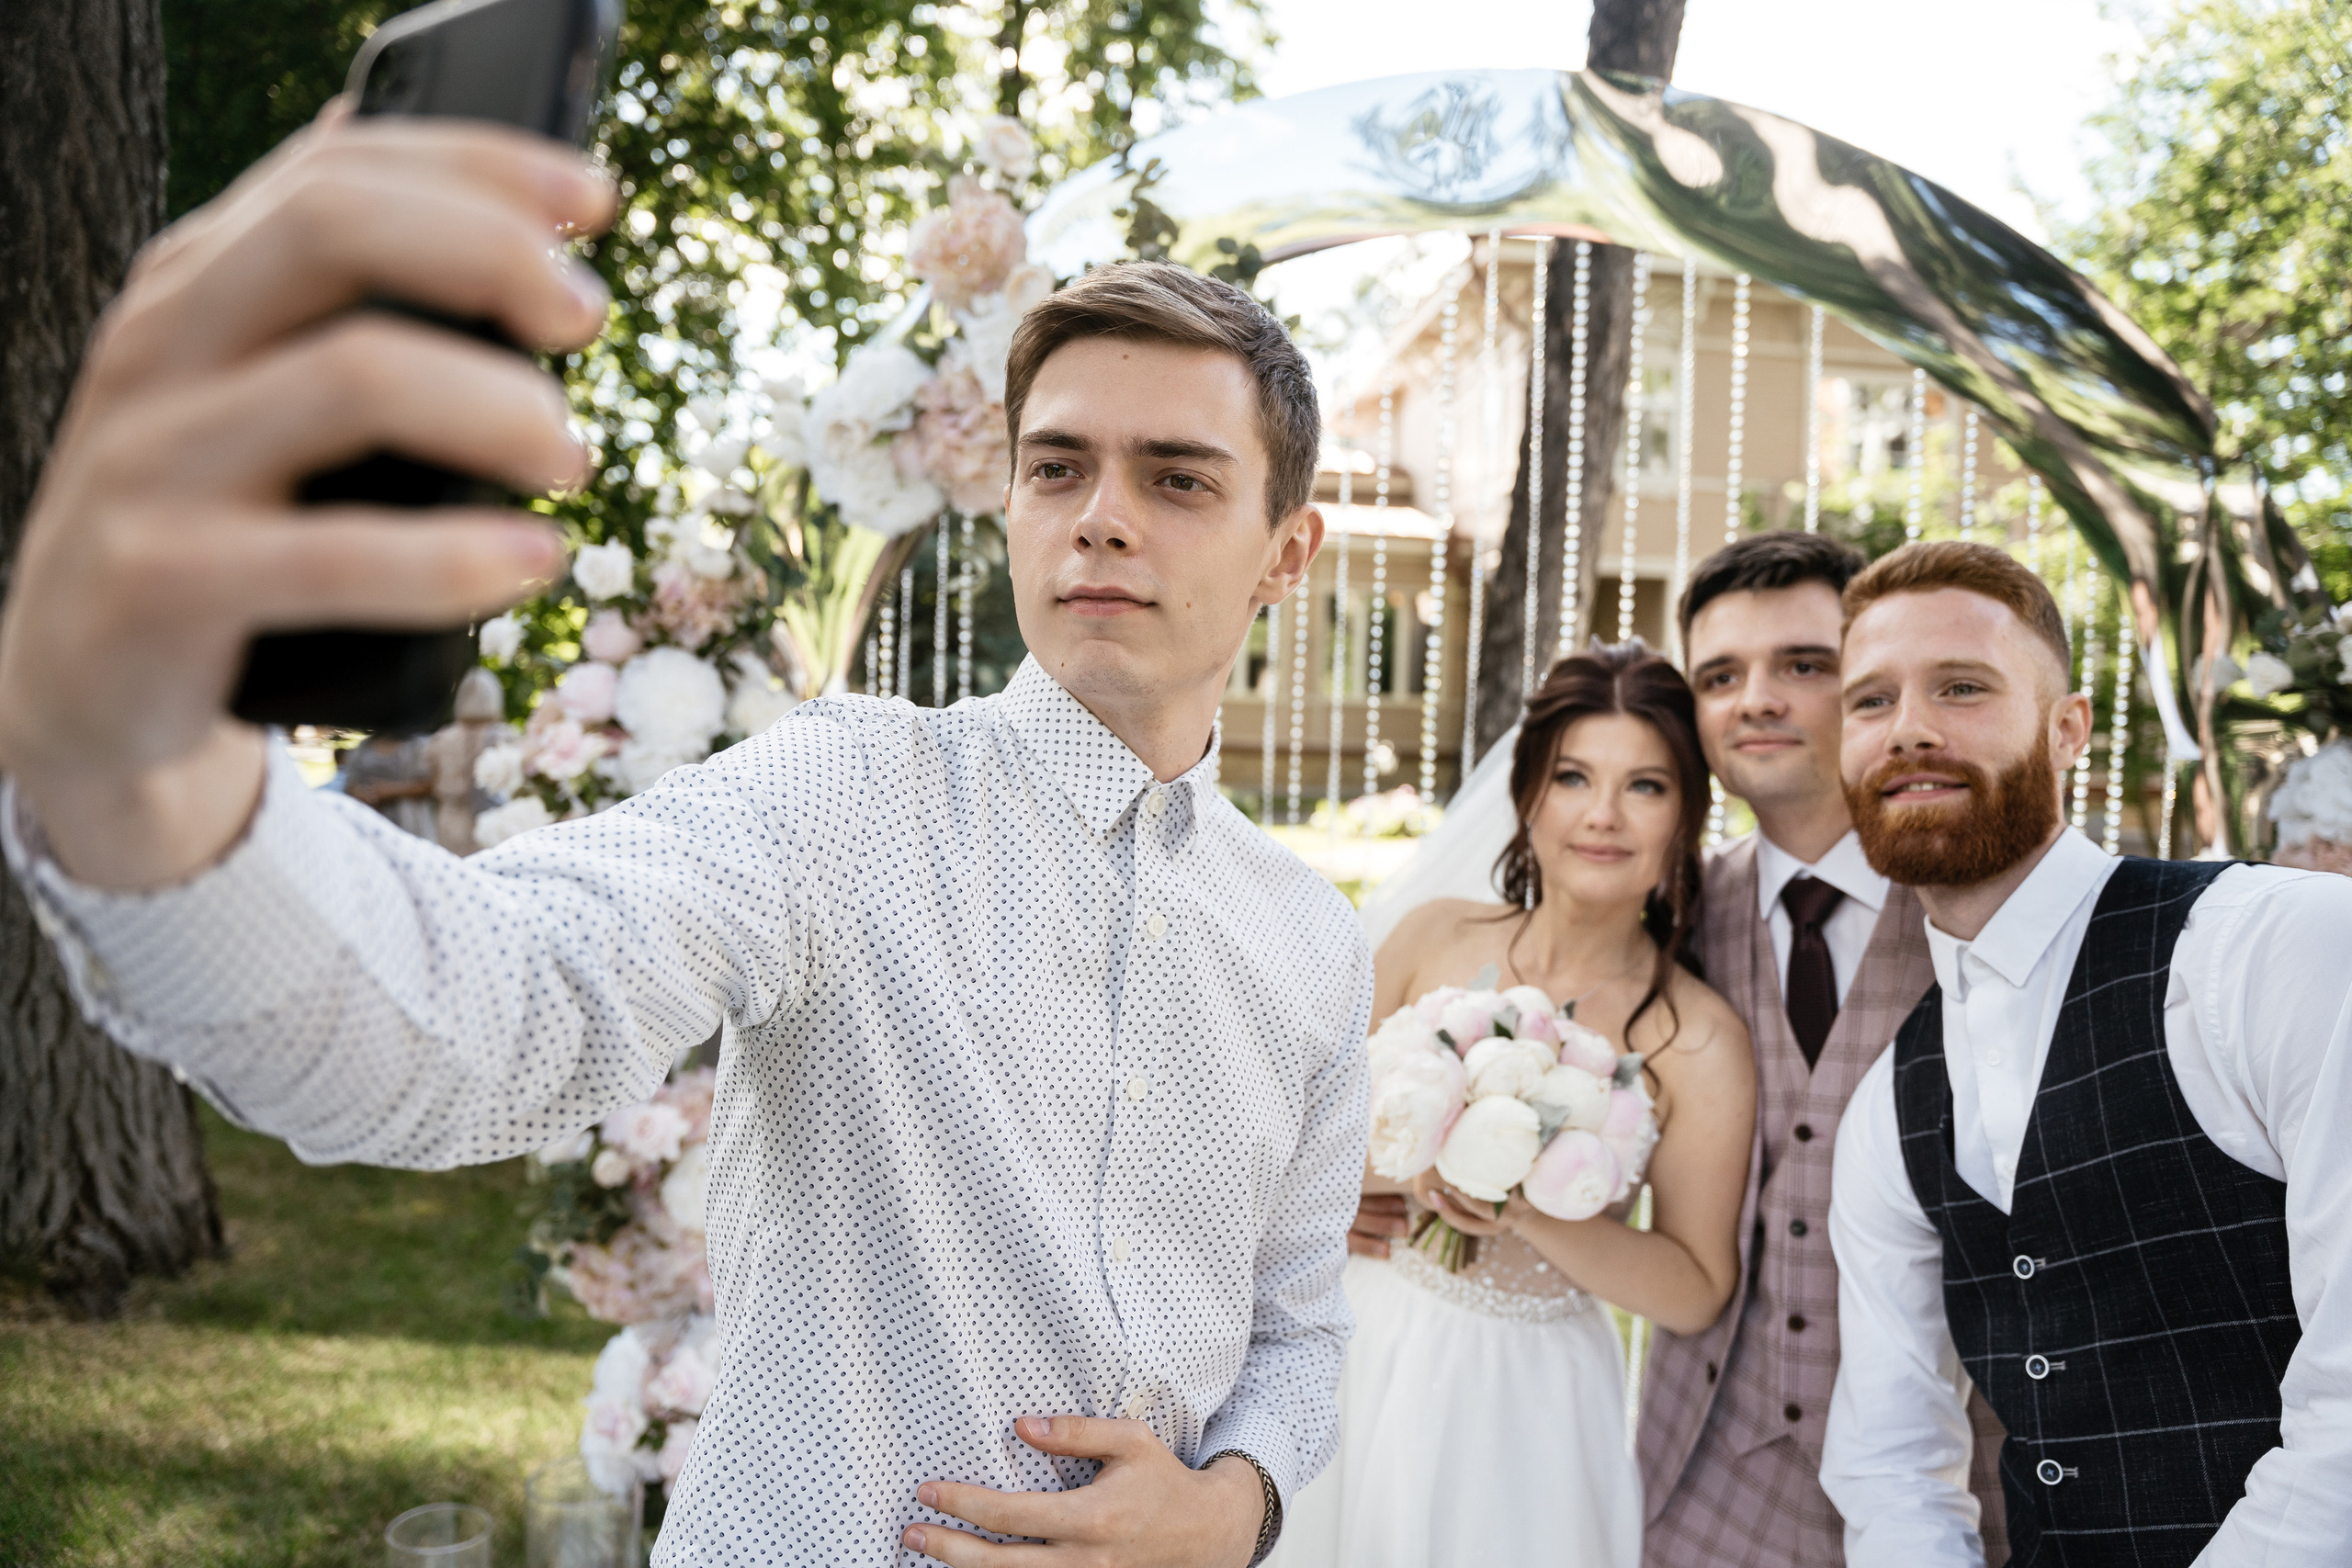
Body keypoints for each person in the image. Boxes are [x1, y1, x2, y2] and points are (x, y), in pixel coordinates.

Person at [0, 108, 1373, 1568]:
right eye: (1056, 467)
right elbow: (485, 1008)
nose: (1101, 519)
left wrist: (1237, 1508)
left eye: (1177, 477)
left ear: (1288, 550)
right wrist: (139, 769)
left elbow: (1297, 1326)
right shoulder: (852, 793)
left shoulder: (1310, 937)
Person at [1821, 540, 2352, 1564]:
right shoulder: (1888, 1103)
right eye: (1870, 702)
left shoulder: (2275, 946)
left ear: (2068, 732)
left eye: (1961, 687)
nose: (1910, 730)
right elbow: (1888, 1464)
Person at [1275, 642, 1755, 1568]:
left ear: (1684, 816)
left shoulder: (1695, 1039)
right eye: (1573, 777)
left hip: (1527, 1394)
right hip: (1363, 1339)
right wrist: (1370, 1189)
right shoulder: (1431, 935)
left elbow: (1695, 1289)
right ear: (1529, 793)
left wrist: (1523, 1207)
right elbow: (1300, 1145)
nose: (1603, 816)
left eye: (1646, 787)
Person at [1638, 533, 2007, 1567]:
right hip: (1695, 1479)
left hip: (1956, 1492)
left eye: (1803, 665)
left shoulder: (1987, 908)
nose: (1756, 699)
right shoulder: (1663, 917)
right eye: (1721, 675)